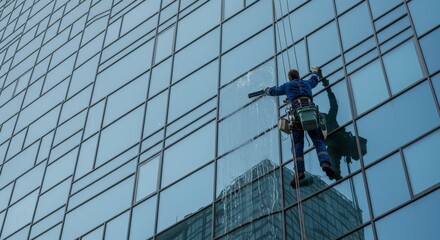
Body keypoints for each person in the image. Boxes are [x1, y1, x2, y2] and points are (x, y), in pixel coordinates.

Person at [264, 67, 336, 187]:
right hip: (310, 113)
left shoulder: (287, 86)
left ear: (290, 78)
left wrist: (265, 89)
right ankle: (325, 163)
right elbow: (314, 79)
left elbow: (273, 91)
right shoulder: (306, 83)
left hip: (297, 116)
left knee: (298, 144)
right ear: (298, 77)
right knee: (318, 141)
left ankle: (299, 172)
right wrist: (314, 71)